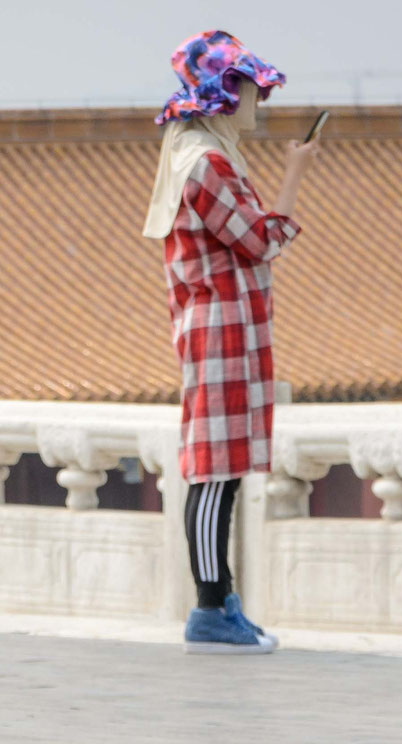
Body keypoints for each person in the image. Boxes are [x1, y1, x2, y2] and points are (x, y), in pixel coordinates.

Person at [143, 31, 319, 655]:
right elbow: (261, 241)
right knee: (215, 474)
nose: (257, 100)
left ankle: (221, 603)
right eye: (249, 87)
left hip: (217, 327)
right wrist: (296, 173)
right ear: (224, 92)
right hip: (220, 329)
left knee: (222, 471)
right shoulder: (208, 164)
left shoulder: (194, 153)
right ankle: (211, 609)